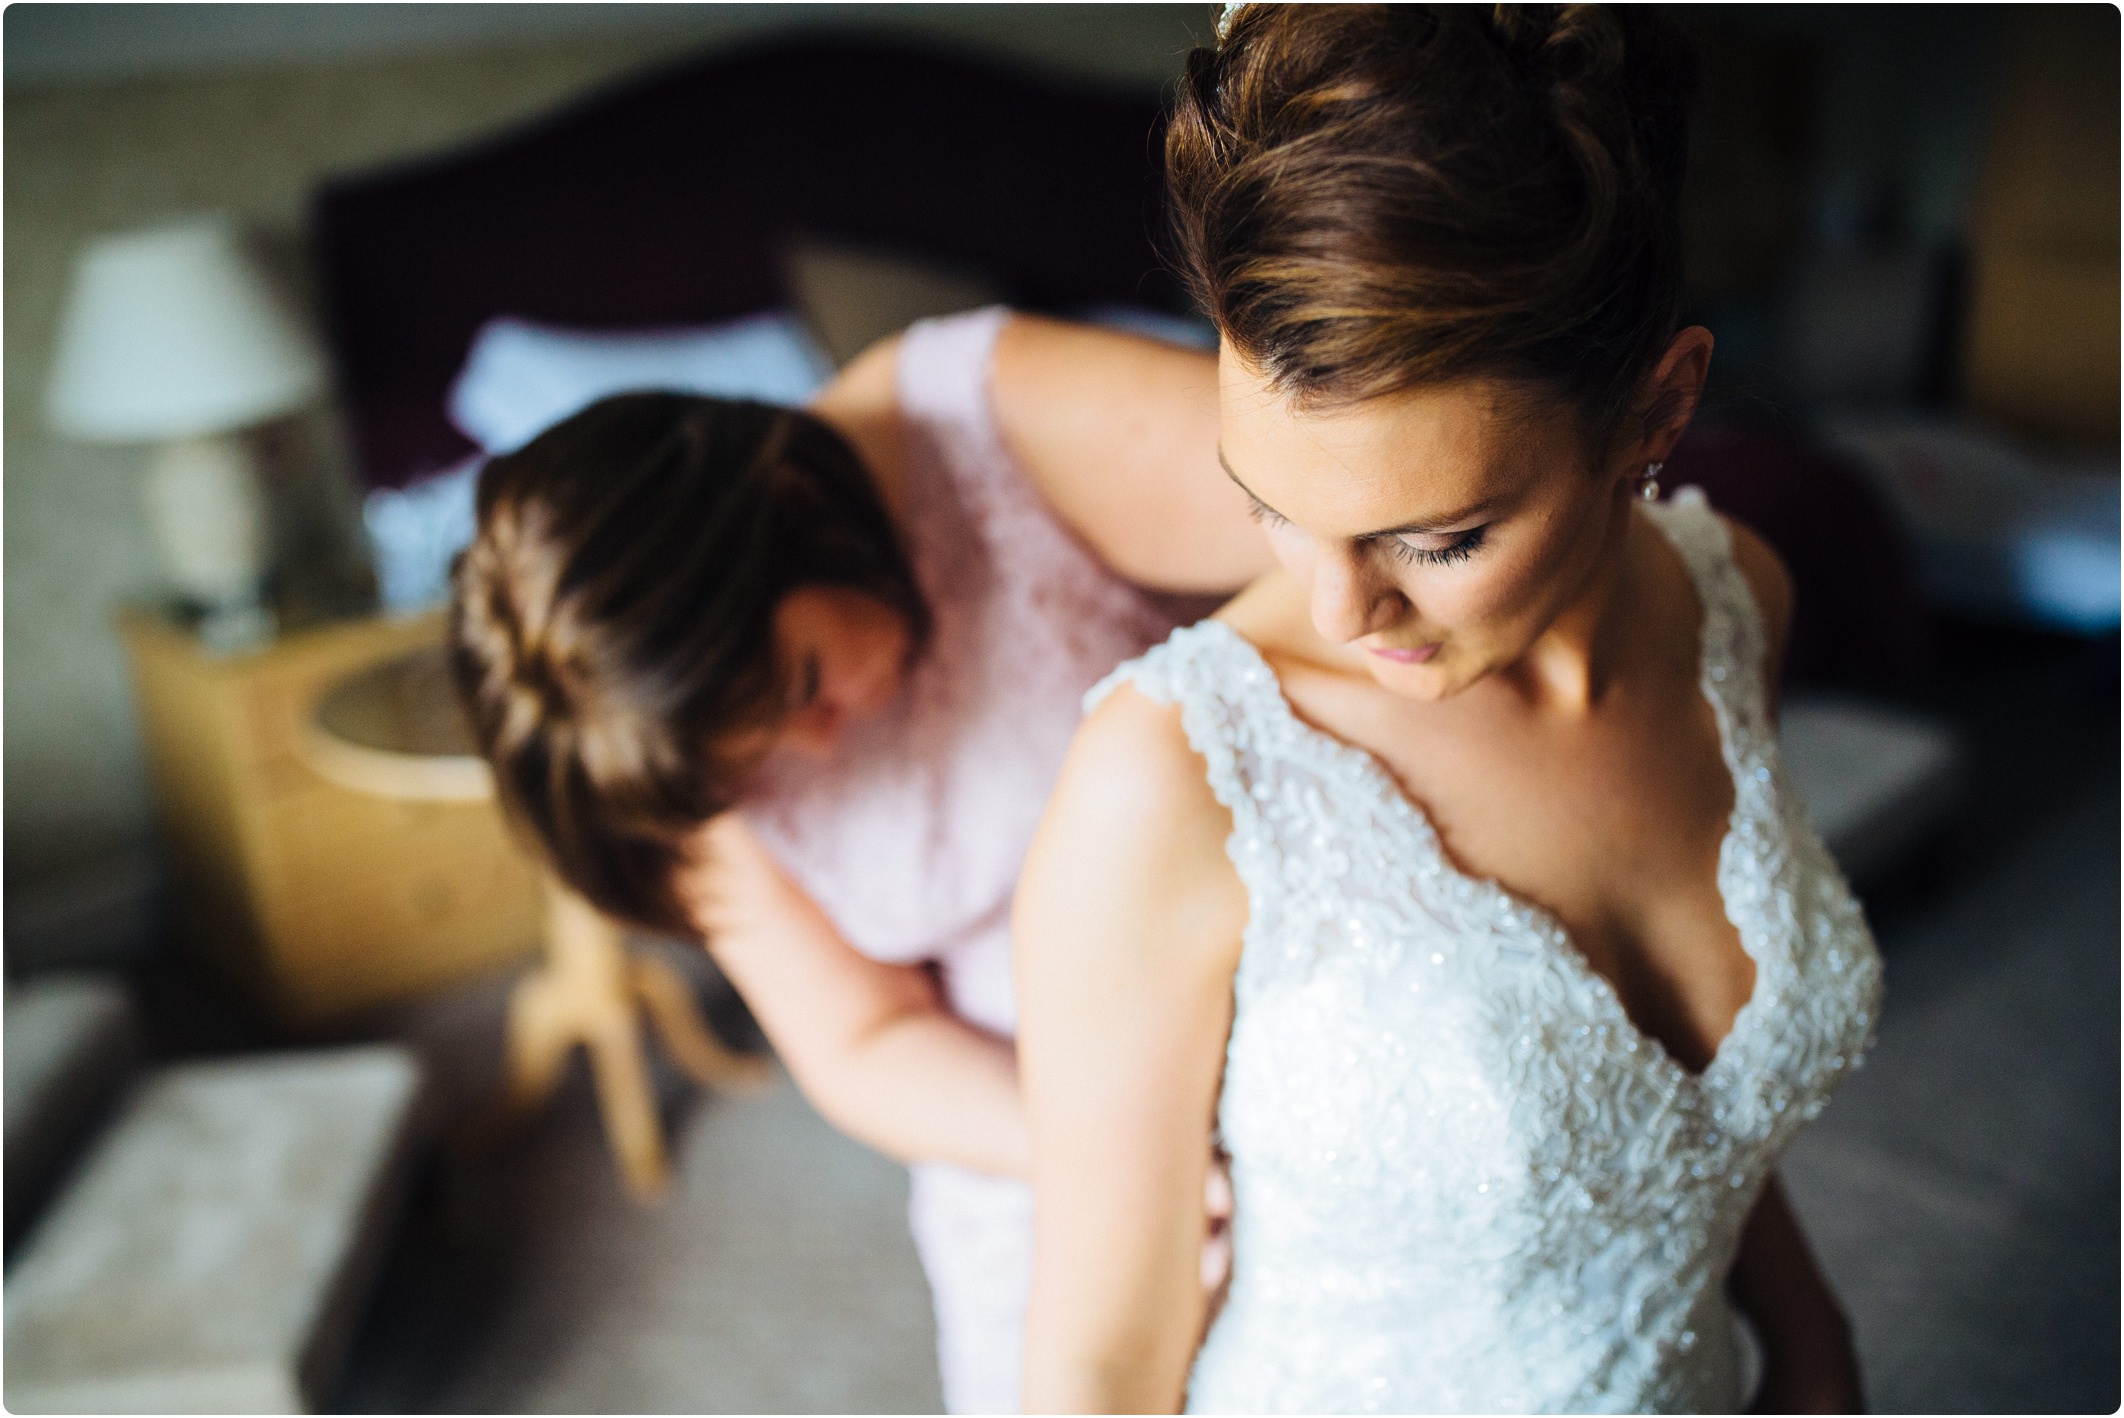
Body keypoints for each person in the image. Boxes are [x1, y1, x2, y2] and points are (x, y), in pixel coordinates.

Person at [1014, 6, 1883, 1413]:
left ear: (1657, 412)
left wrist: (1813, 1335)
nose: (1342, 612)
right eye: (1272, 510)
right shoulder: (1174, 777)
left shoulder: (1740, 607)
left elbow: (1694, 1119)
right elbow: (1095, 1365)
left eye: (1439, 537)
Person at [450, 307, 1270, 1413]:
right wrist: (1111, 1153)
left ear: (795, 511)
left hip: (1285, 964)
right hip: (1024, 1117)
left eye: (799, 682)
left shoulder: (981, 418)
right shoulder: (661, 739)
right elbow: (862, 1038)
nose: (822, 747)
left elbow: (1362, 551)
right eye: (757, 764)